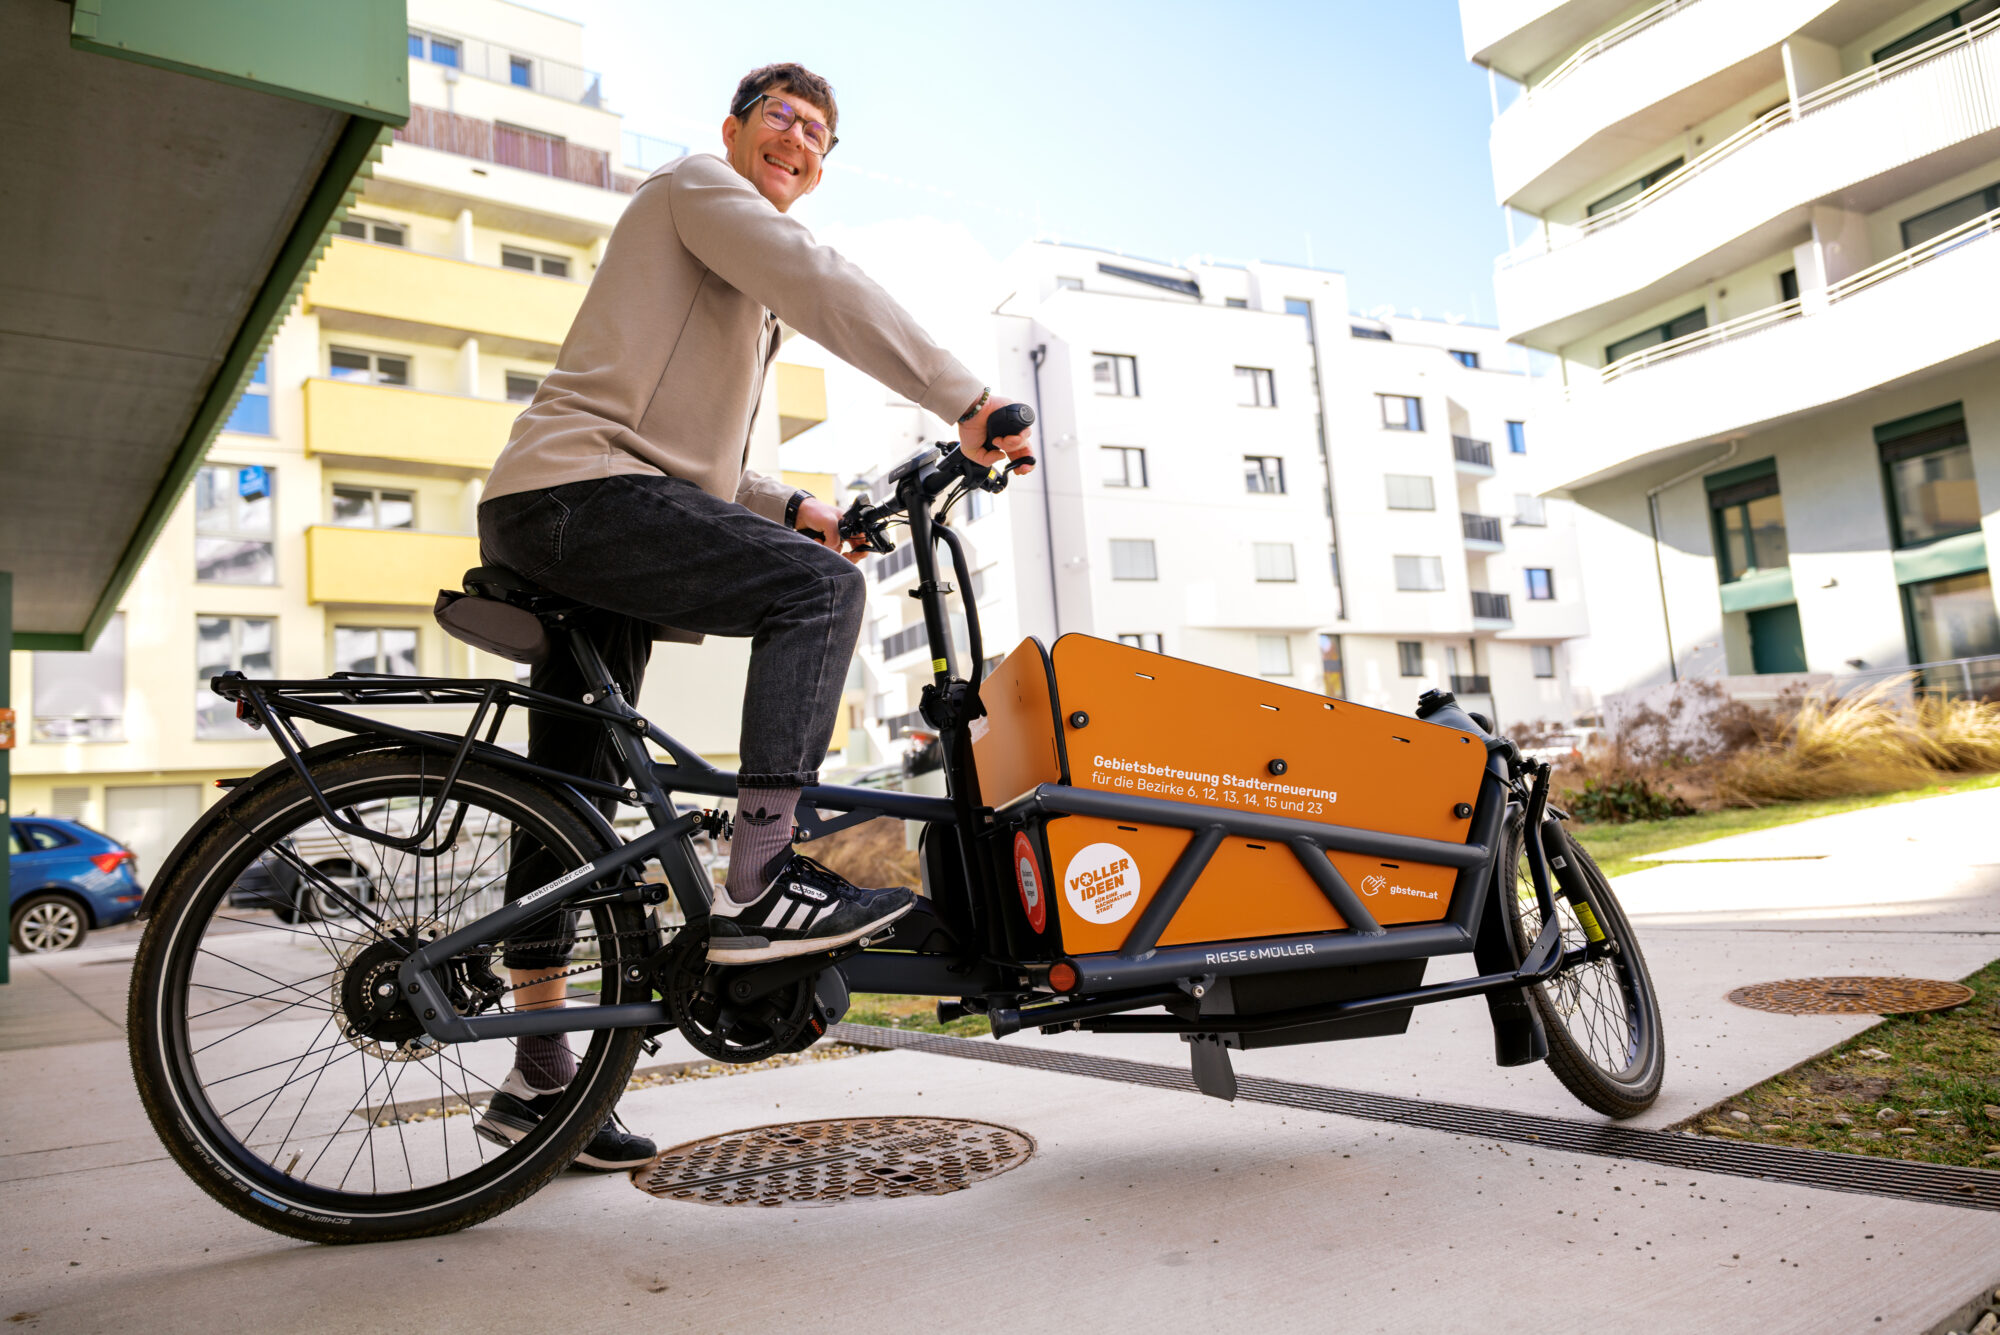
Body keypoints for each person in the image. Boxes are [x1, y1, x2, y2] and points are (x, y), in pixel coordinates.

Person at [470, 63, 1033, 1169]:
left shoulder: (718, 262)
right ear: (731, 129)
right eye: (782, 117)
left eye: (819, 134)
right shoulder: (699, 188)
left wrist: (790, 508)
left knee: (568, 802)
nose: (799, 140)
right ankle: (764, 877)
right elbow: (824, 282)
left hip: (570, 505)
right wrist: (966, 400)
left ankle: (538, 1079)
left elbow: (695, 457)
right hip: (581, 495)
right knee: (819, 592)